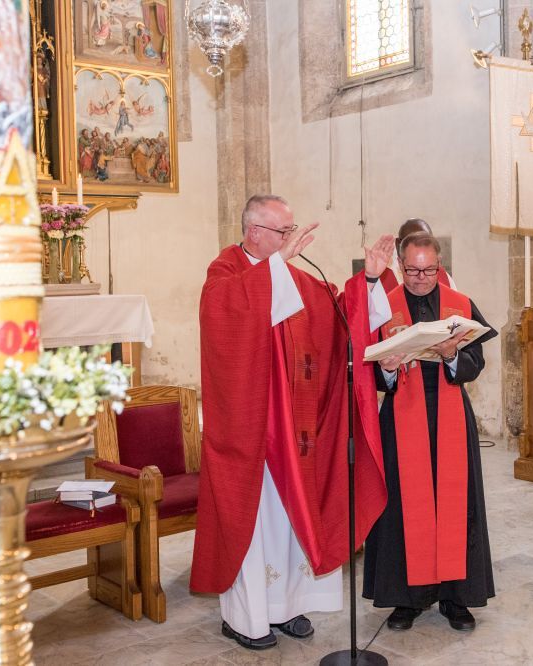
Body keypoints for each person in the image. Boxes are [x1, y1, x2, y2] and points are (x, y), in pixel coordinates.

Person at [190, 195, 388, 650]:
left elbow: (340, 317)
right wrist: (278, 265)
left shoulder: (293, 275)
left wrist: (370, 278)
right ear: (254, 232)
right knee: (254, 526)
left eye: (291, 230)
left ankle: (287, 607)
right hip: (249, 434)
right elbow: (224, 317)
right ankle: (247, 619)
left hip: (293, 432)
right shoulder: (224, 273)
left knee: (291, 519)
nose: (292, 238)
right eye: (284, 231)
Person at [361, 232, 497, 632]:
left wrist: (453, 356)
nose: (421, 279)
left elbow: (476, 361)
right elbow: (368, 368)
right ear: (400, 266)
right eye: (413, 270)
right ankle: (407, 599)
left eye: (429, 270)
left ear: (440, 266)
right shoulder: (384, 307)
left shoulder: (460, 304)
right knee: (403, 507)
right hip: (402, 415)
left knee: (457, 505)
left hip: (450, 412)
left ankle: (457, 598)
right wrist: (386, 370)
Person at [394, 218, 456, 290]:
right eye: (412, 243)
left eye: (426, 242)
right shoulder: (385, 274)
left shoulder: (443, 276)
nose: (420, 249)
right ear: (398, 244)